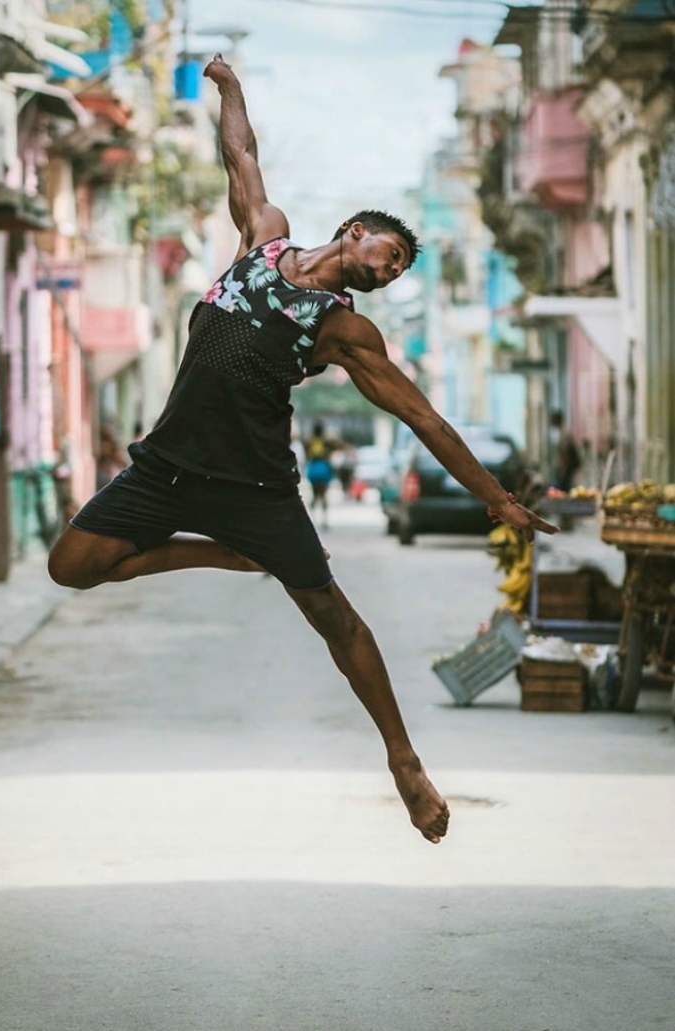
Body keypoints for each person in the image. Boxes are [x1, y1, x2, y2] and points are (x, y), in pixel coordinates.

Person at [48, 54, 558, 845]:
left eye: (395, 272)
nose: (388, 269)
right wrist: (230, 88)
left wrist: (494, 496)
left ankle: (403, 760)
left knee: (333, 618)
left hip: (254, 484)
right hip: (167, 463)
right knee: (71, 565)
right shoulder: (262, 238)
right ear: (354, 230)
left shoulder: (342, 327)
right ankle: (220, 554)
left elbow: (421, 417)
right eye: (388, 252)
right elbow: (240, 157)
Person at [305, 420, 336, 529]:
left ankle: (311, 518)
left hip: (313, 468)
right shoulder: (326, 442)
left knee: (314, 494)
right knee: (323, 495)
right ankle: (324, 520)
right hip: (323, 468)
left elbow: (307, 456)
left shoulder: (309, 442)